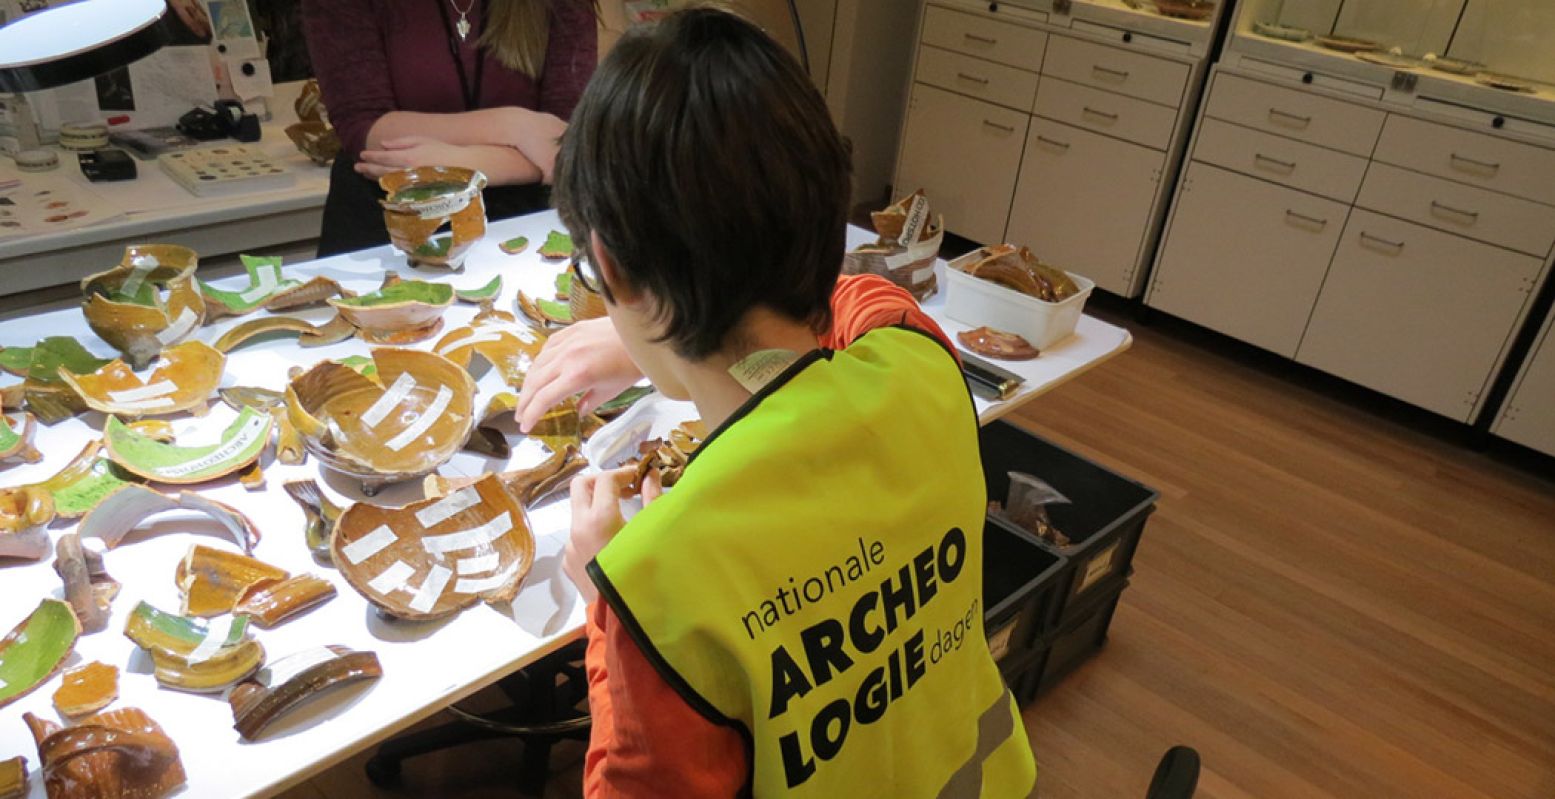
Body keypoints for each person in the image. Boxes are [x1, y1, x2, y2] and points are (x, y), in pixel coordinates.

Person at [519, 8, 1039, 796]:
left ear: (610, 267)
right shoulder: (922, 361)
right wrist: (661, 322)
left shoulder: (655, 582)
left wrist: (602, 598)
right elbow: (863, 294)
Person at [300, 0, 596, 256]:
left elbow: (566, 140)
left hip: (524, 227)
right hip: (386, 226)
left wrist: (455, 162)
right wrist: (514, 126)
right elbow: (366, 131)